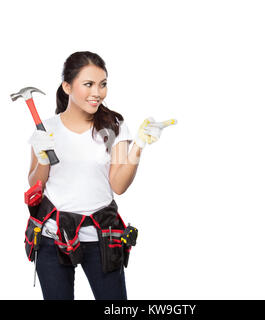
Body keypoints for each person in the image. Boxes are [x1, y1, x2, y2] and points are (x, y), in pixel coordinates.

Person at [27, 51, 176, 300]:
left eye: (103, 84)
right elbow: (35, 186)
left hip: (102, 237)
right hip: (53, 237)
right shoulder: (46, 129)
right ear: (67, 86)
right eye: (89, 84)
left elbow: (118, 185)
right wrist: (42, 158)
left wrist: (138, 145)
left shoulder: (114, 127)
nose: (97, 92)